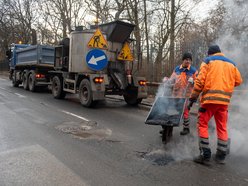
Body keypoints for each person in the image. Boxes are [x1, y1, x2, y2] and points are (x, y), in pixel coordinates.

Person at [188, 45, 243, 165]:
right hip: (224, 103)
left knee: (202, 124)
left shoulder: (208, 61)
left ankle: (205, 155)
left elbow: (199, 82)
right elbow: (239, 81)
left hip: (209, 100)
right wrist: (226, 85)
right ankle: (221, 155)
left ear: (210, 53)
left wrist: (193, 97)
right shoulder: (231, 64)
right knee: (222, 127)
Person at [160, 52, 198, 135]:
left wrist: (193, 81)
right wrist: (167, 80)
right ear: (183, 60)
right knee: (171, 110)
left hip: (186, 96)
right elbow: (172, 80)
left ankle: (186, 128)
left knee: (185, 111)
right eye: (186, 59)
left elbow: (199, 83)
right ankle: (167, 127)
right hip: (176, 95)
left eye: (189, 60)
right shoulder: (177, 69)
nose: (188, 61)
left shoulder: (193, 71)